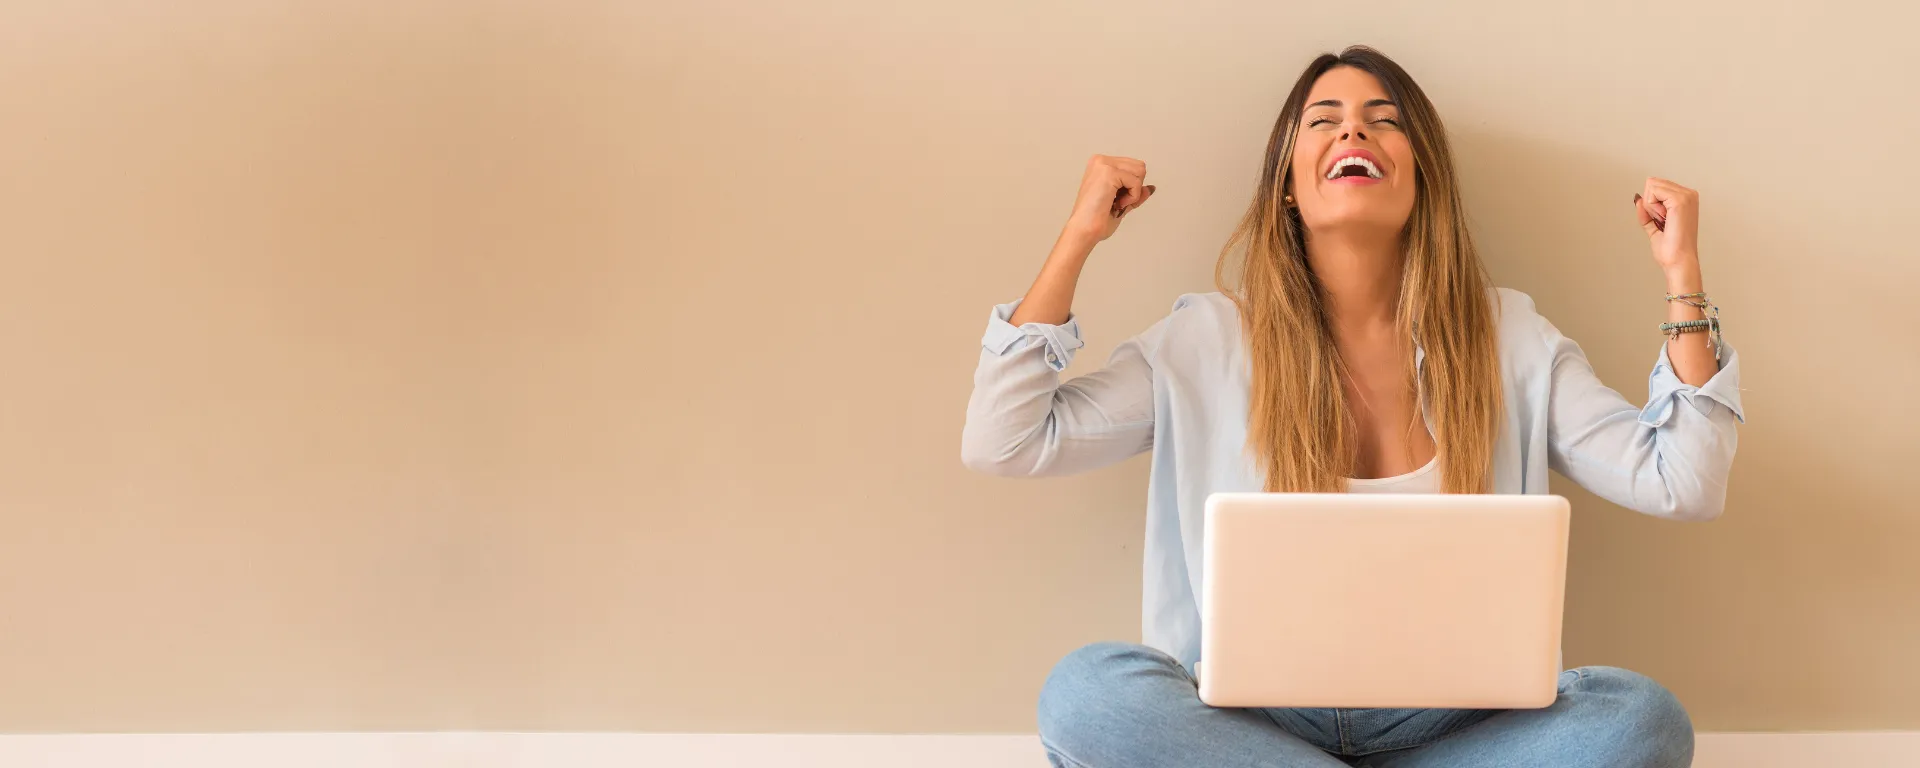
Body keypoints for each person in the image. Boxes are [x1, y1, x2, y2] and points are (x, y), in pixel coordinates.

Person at [959, 46, 1742, 768]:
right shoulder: (1203, 339)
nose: (1353, 131)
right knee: (1088, 691)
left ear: (1420, 175)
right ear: (1288, 185)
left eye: (1383, 120)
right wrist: (1077, 238)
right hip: (1252, 723)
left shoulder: (1508, 334)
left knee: (1641, 719)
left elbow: (1681, 482)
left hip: (1457, 727)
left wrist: (1683, 275)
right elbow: (1009, 440)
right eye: (1324, 121)